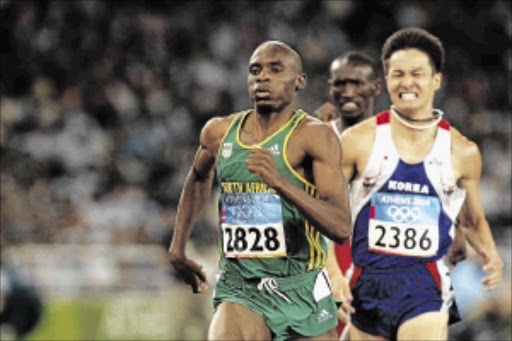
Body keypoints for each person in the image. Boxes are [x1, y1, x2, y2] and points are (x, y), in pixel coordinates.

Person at [168, 40, 352, 341]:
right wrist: (178, 246)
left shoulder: (315, 137)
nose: (262, 77)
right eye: (255, 70)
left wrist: (281, 183)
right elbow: (198, 177)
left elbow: (341, 226)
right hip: (241, 284)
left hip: (302, 286)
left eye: (275, 69)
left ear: (299, 82)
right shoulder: (218, 132)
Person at [338, 27, 503, 341]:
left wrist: (490, 253)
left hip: (424, 287)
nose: (407, 82)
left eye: (417, 73)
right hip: (367, 287)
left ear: (436, 80)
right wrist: (330, 274)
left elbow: (470, 217)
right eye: (397, 73)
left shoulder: (462, 151)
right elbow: (325, 212)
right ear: (386, 80)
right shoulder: (357, 142)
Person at [316, 51, 470, 340]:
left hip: (393, 272)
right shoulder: (316, 138)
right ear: (329, 87)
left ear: (377, 87)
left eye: (357, 83)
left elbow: (438, 184)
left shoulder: (399, 136)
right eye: (340, 83)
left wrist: (459, 227)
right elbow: (307, 211)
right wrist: (326, 275)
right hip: (328, 265)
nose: (348, 91)